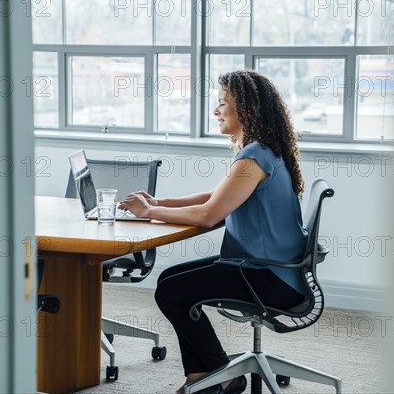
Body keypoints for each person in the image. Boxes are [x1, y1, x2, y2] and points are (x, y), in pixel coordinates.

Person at [119, 69, 308, 394]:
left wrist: (149, 212)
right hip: (266, 270)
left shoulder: (253, 159)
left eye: (223, 103)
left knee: (171, 292)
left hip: (268, 278)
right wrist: (161, 201)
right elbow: (213, 198)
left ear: (248, 110)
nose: (216, 111)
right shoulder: (260, 152)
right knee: (168, 282)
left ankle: (220, 372)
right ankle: (201, 376)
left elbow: (209, 215)